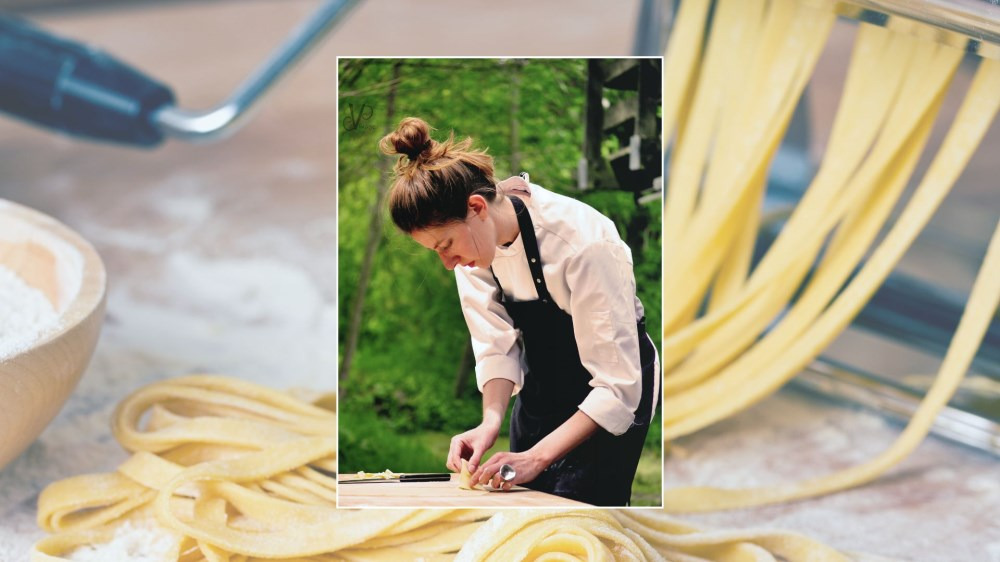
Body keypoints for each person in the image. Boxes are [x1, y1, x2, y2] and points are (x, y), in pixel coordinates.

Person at [378, 116, 659, 506]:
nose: (447, 263)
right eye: (436, 251)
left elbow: (617, 387)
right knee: (519, 503)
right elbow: (494, 345)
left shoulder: (582, 244)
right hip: (542, 382)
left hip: (613, 386)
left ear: (476, 207)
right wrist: (489, 422)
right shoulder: (474, 248)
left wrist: (535, 458)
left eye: (445, 245)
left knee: (586, 513)